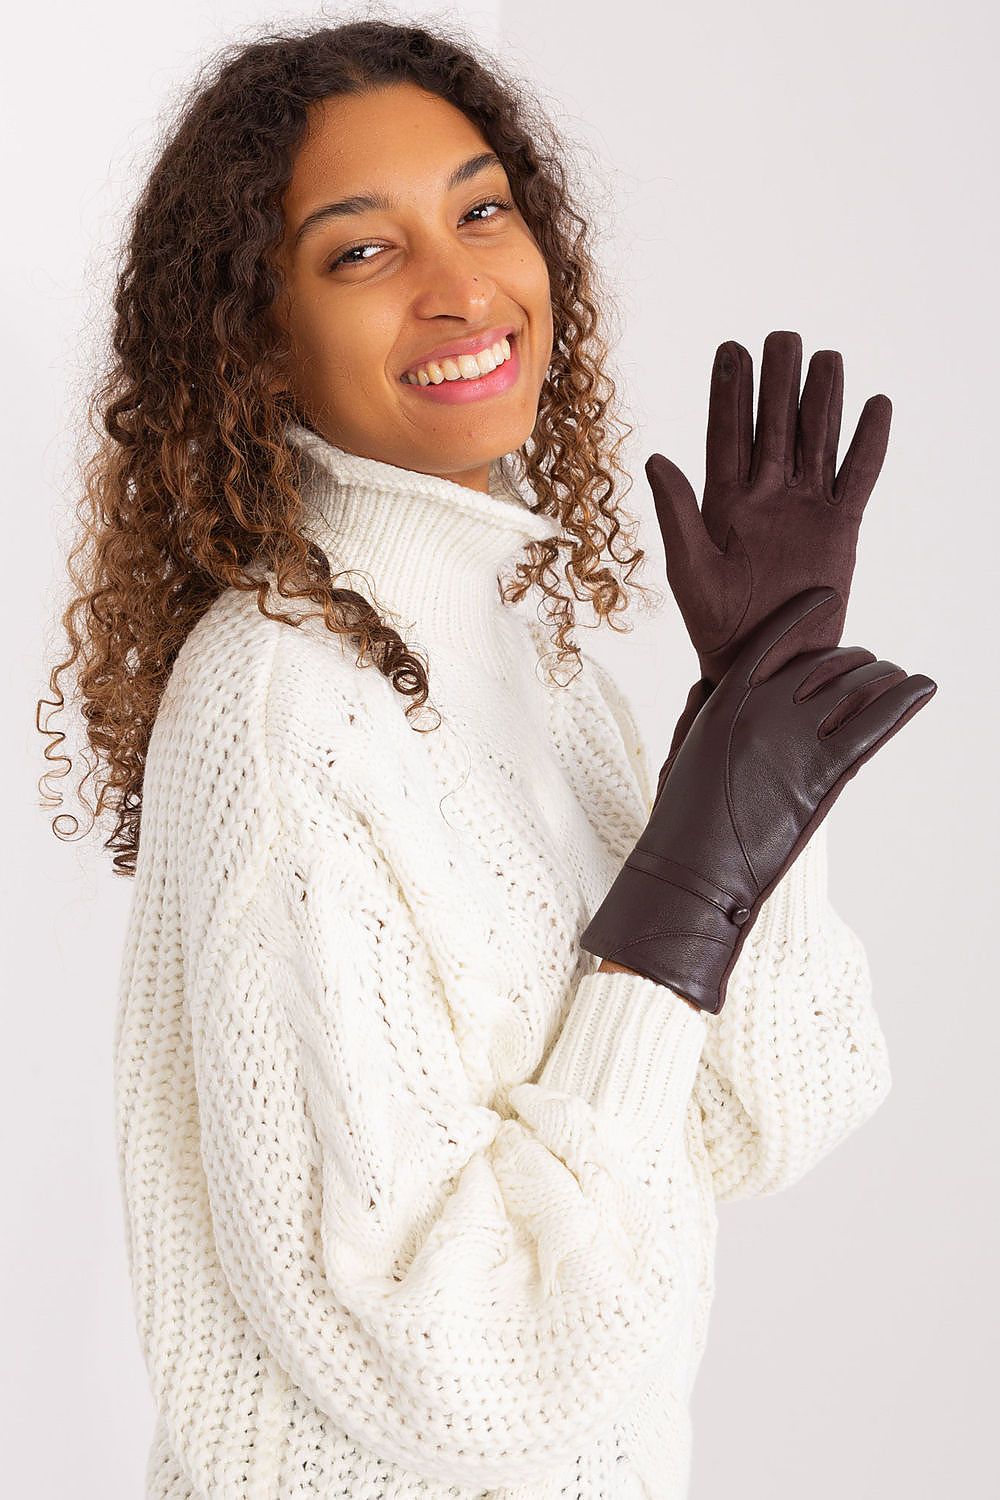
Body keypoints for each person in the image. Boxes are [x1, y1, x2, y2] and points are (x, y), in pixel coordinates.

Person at [37, 16, 935, 1499]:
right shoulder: (276, 709)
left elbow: (769, 1110)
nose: (461, 287)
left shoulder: (523, 662)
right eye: (361, 252)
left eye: (481, 211)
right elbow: (465, 1368)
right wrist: (679, 903)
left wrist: (752, 717)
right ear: (258, 338)